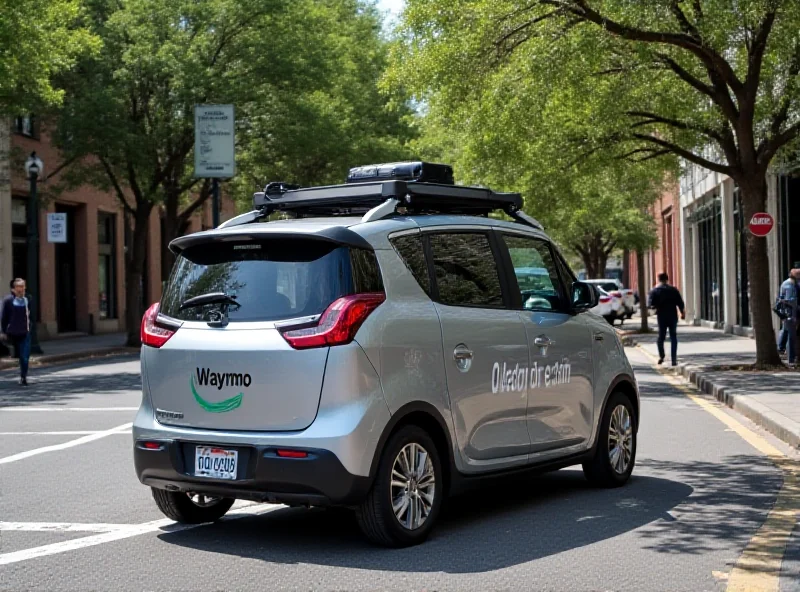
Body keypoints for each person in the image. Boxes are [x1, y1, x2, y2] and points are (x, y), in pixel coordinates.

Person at [648, 272, 686, 366]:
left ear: (658, 279)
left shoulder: (655, 291)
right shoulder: (673, 290)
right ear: (667, 279)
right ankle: (674, 359)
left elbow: (651, 305)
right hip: (673, 316)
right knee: (673, 337)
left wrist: (655, 307)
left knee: (661, 337)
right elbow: (680, 303)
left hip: (662, 317)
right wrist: (682, 313)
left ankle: (662, 356)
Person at [1, 278, 32, 386]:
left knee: (24, 357)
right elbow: (3, 317)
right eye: (19, 287)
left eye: (23, 286)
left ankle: (23, 377)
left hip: (24, 333)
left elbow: (30, 314)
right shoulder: (7, 300)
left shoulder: (27, 299)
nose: (21, 289)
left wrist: (29, 326)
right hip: (11, 333)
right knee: (12, 355)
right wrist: (3, 332)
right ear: (13, 289)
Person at [777, 269, 800, 366]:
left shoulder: (790, 283)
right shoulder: (790, 285)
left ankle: (781, 348)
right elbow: (791, 301)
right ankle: (791, 359)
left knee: (785, 331)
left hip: (788, 313)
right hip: (790, 314)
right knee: (791, 336)